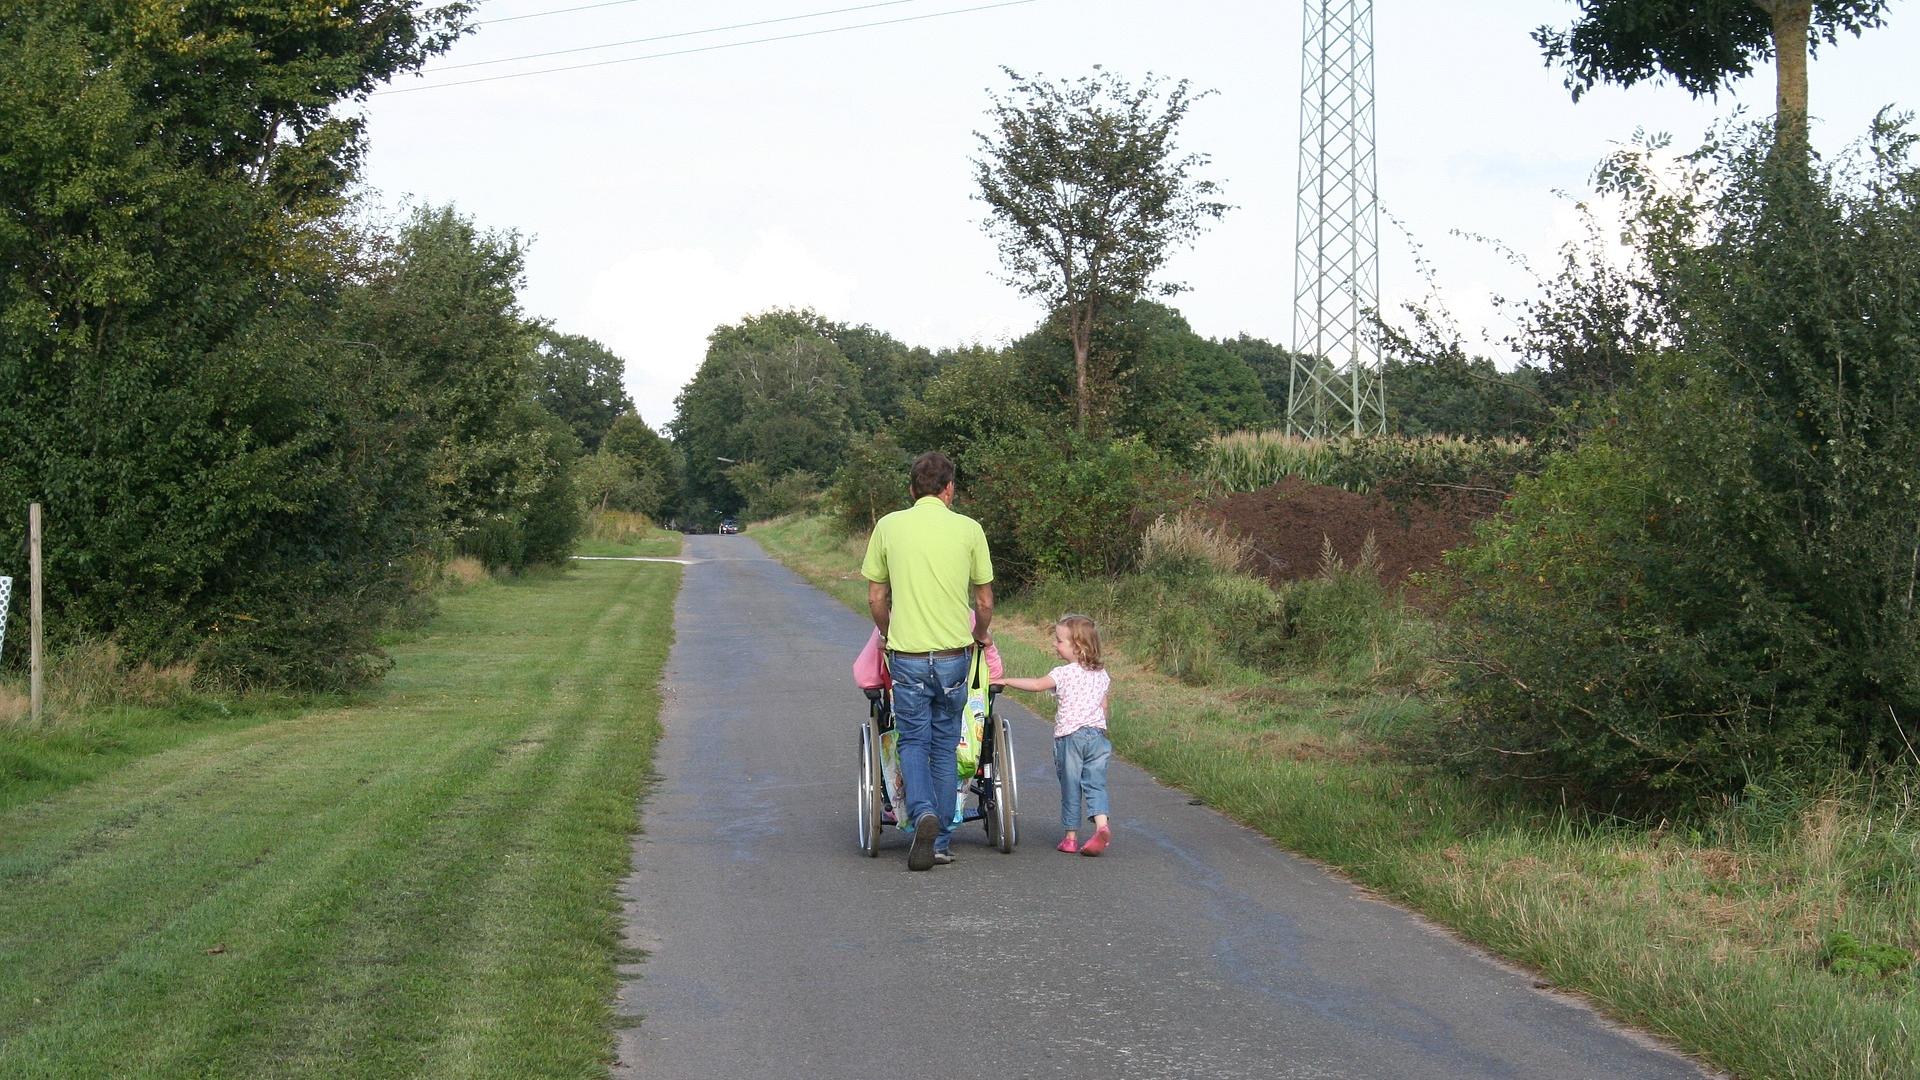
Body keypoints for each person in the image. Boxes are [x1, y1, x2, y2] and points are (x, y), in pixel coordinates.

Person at [860, 451, 994, 870]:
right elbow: (984, 601)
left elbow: (876, 597)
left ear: (911, 489)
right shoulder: (970, 530)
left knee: (912, 739)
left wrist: (886, 632)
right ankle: (940, 840)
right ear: (949, 489)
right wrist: (977, 635)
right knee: (943, 743)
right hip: (955, 655)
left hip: (908, 655)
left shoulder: (888, 527)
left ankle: (921, 815)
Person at [997, 614, 1113, 856]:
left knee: (1071, 786)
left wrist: (1006, 680)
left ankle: (1070, 837)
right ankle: (1102, 826)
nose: (1055, 644)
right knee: (1095, 784)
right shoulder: (1102, 675)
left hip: (1070, 738)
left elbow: (1038, 685)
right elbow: (1104, 706)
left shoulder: (1064, 673)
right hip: (1098, 737)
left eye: (1059, 641)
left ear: (1078, 646)